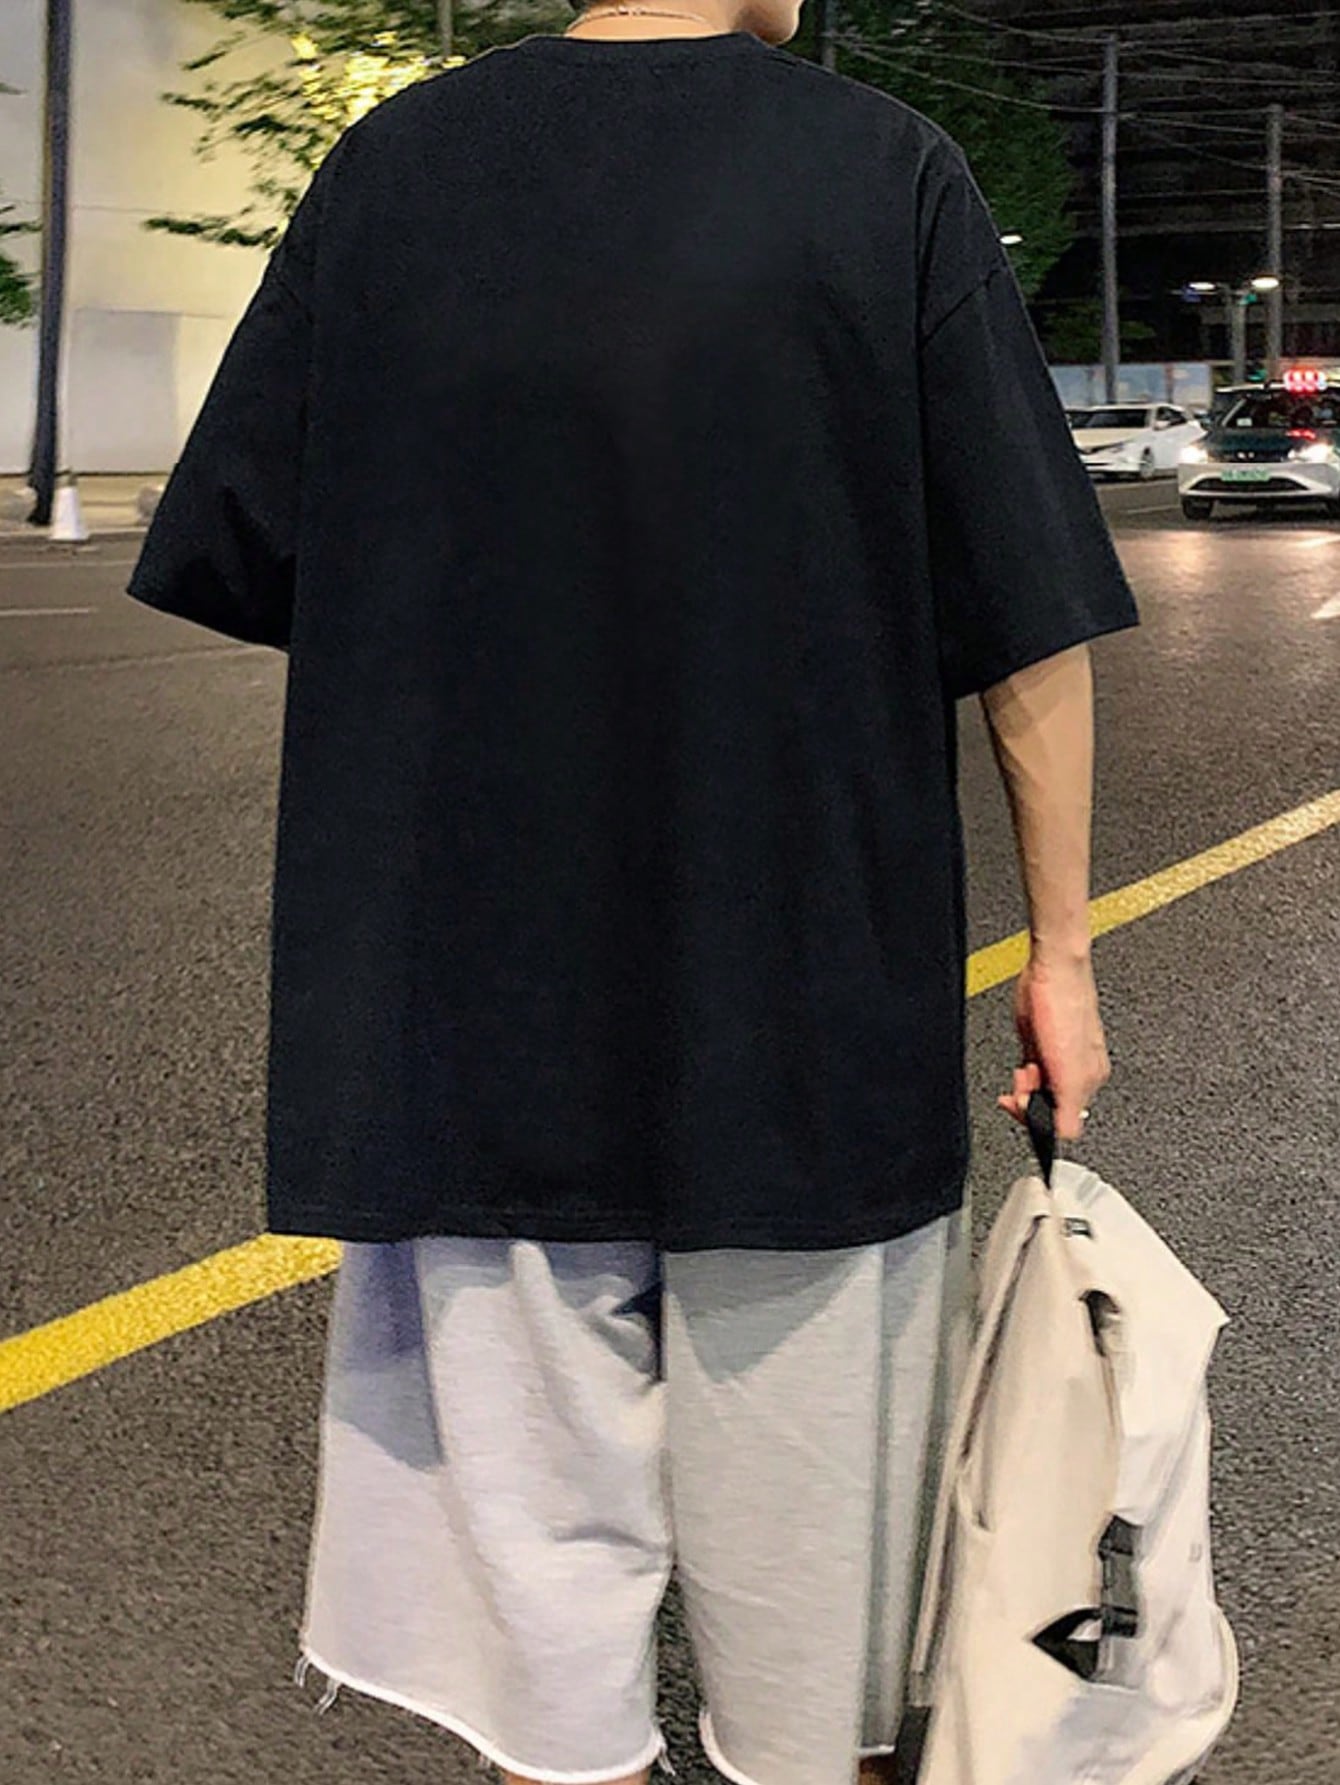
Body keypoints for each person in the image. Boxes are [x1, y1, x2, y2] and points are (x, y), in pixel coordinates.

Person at [124, 1, 1138, 1781]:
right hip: (808, 1013)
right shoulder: (881, 172)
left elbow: (264, 540)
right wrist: (1061, 954)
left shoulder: (392, 171)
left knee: (541, 1646)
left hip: (466, 1011)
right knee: (818, 1648)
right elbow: (1027, 617)